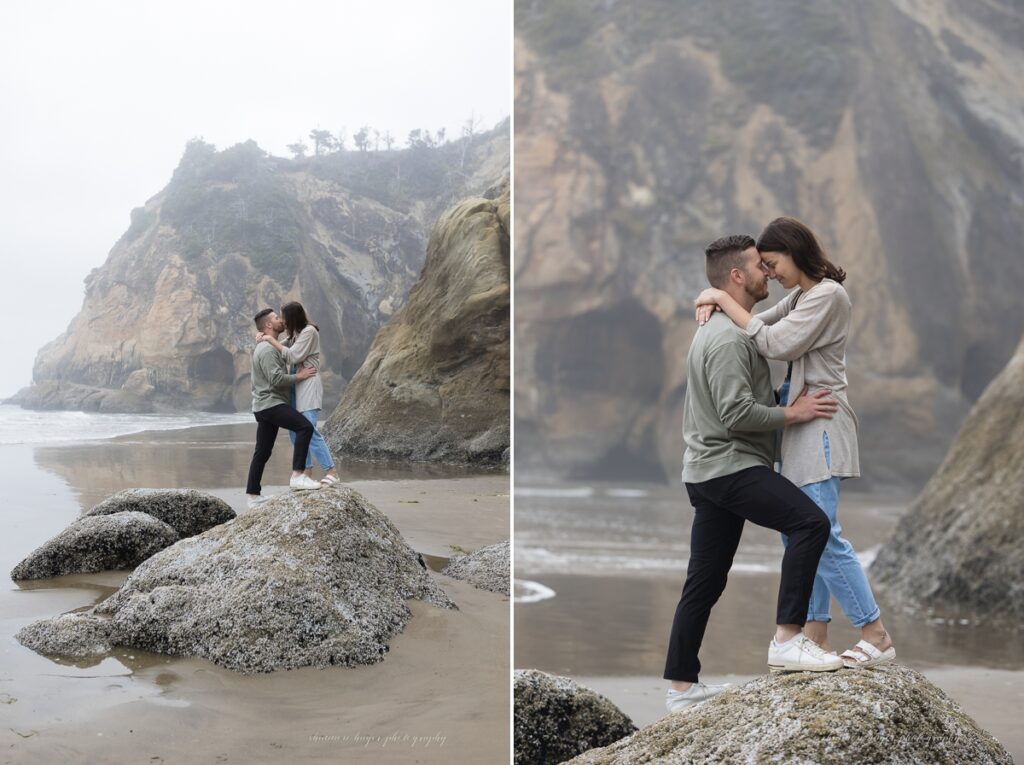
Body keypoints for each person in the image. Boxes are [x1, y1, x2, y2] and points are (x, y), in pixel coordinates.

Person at [694, 217, 895, 670]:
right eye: (763, 266)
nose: (771, 273)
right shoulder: (803, 296)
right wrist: (718, 302)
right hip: (802, 429)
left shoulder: (827, 295)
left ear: (793, 250)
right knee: (802, 532)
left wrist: (723, 297)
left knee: (823, 534)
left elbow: (775, 343)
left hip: (821, 423)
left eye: (773, 262)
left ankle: (875, 633)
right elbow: (758, 323)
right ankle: (815, 634)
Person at [664, 234, 844, 715]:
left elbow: (776, 329)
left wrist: (713, 297)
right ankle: (788, 638)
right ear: (738, 276)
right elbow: (735, 414)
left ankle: (681, 690)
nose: (768, 273)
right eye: (758, 267)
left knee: (704, 581)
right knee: (811, 524)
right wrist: (795, 413)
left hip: (709, 470)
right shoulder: (724, 338)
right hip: (729, 466)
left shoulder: (730, 326)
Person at [245, 308, 323, 509]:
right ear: (269, 325)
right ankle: (298, 475)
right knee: (305, 427)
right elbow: (276, 379)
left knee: (262, 451)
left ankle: (253, 496)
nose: (282, 321)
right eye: (277, 318)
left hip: (262, 406)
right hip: (272, 404)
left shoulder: (270, 345)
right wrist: (301, 376)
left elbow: (291, 347)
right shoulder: (268, 350)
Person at [257, 301, 339, 487]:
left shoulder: (309, 332)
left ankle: (332, 471)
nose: (282, 320)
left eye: (283, 317)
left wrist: (270, 340)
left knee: (310, 430)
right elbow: (280, 348)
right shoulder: (296, 334)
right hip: (295, 386)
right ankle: (305, 473)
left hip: (308, 385)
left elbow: (292, 356)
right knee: (296, 432)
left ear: (292, 317)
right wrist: (264, 337)